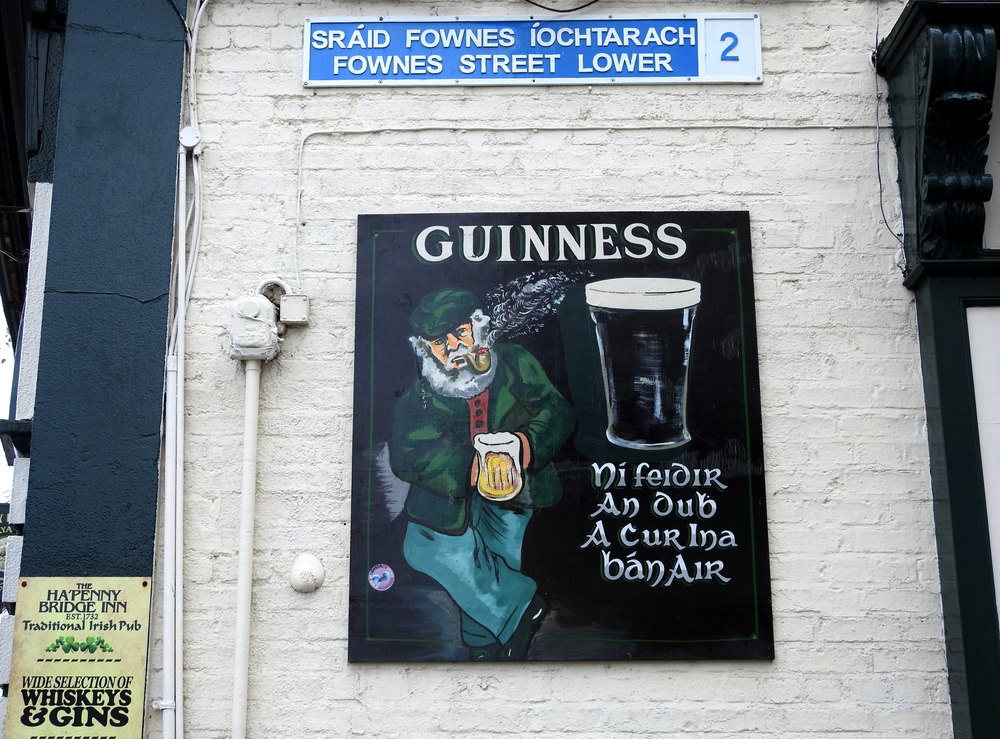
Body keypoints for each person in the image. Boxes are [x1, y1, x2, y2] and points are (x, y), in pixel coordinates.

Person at [390, 289, 575, 660]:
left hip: (517, 487)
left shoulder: (516, 362)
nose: (455, 346)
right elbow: (408, 454)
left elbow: (557, 412)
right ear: (427, 349)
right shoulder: (423, 392)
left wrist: (524, 445)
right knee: (421, 546)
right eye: (441, 342)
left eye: (461, 332)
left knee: (493, 563)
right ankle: (524, 606)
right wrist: (467, 466)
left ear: (478, 328)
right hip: (448, 495)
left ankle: (484, 650)